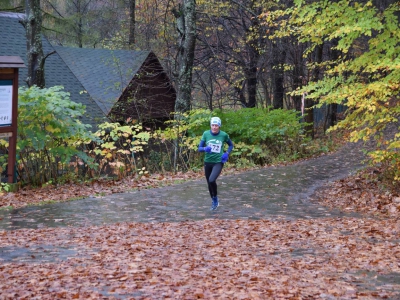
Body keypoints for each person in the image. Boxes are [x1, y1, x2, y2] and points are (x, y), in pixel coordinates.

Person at [198, 117, 234, 210]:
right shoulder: (206, 134)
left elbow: (231, 145)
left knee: (211, 180)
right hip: (208, 161)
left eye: (216, 125)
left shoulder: (224, 135)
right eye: (212, 125)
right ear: (210, 125)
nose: (214, 127)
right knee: (209, 183)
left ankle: (215, 199)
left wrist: (227, 153)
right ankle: (214, 200)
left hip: (218, 162)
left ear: (219, 126)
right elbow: (199, 148)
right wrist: (205, 148)